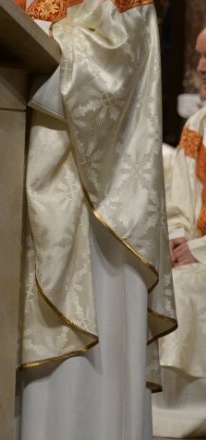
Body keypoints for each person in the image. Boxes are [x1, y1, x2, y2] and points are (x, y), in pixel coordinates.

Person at [2, 0, 174, 439]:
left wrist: (17, 53)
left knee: (83, 371)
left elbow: (107, 72)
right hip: (31, 173)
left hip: (87, 194)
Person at [153, 27, 206, 437]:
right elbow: (178, 204)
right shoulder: (198, 125)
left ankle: (185, 419)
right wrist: (174, 237)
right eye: (198, 56)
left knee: (185, 288)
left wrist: (200, 250)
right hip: (194, 248)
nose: (200, 66)